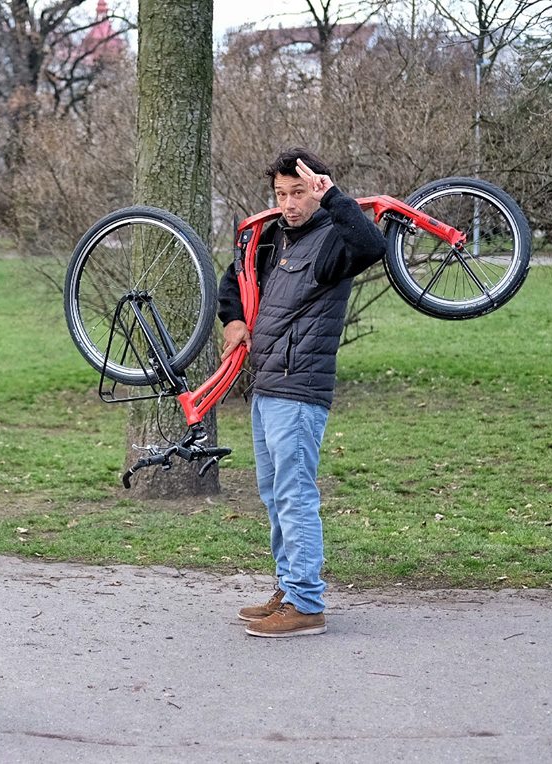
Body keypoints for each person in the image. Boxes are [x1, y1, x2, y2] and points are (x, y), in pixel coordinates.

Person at [218, 147, 387, 638]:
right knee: (275, 496)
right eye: (281, 194)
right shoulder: (276, 239)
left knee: (294, 496)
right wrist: (232, 319)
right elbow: (236, 276)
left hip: (300, 388)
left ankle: (307, 604)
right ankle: (289, 589)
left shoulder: (334, 239)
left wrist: (332, 195)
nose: (289, 203)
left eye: (298, 192)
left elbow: (372, 245)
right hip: (267, 386)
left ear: (315, 189)